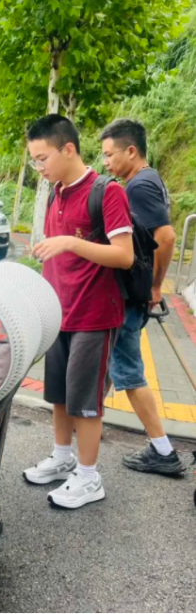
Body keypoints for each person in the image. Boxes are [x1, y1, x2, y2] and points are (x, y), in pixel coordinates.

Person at [23, 114, 134, 509]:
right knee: (58, 394)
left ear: (68, 148)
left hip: (94, 315)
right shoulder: (56, 191)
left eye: (42, 158)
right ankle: (62, 457)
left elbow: (124, 255)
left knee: (86, 401)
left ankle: (89, 477)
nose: (38, 167)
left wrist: (70, 243)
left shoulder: (107, 192)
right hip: (59, 312)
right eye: (34, 160)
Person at [100, 118, 185, 475]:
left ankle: (163, 450)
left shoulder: (139, 185)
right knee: (110, 361)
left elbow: (166, 237)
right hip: (132, 293)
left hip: (131, 296)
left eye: (109, 154)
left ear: (131, 151)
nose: (106, 162)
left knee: (128, 370)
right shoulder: (150, 179)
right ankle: (89, 419)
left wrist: (155, 286)